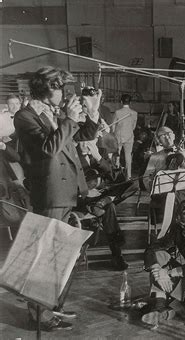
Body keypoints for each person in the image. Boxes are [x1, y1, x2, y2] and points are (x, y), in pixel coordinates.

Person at [14, 66, 101, 331]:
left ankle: (54, 307)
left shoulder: (55, 113)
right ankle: (39, 315)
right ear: (45, 89)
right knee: (46, 259)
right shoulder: (24, 116)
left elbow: (84, 135)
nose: (64, 93)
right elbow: (49, 149)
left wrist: (93, 110)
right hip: (50, 195)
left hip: (68, 193)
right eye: (59, 88)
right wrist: (68, 119)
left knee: (64, 256)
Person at [76, 139, 131, 271]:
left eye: (91, 140)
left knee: (128, 183)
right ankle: (117, 253)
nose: (87, 144)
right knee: (110, 207)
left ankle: (102, 202)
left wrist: (99, 158)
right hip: (79, 199)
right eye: (84, 141)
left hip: (96, 196)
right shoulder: (73, 153)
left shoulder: (99, 152)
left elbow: (116, 177)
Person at [112, 94, 137, 179]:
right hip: (129, 136)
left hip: (118, 136)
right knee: (128, 156)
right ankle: (129, 176)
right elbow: (133, 126)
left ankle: (116, 175)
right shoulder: (134, 113)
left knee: (117, 155)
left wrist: (113, 134)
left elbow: (113, 126)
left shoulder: (117, 112)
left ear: (121, 102)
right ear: (130, 102)